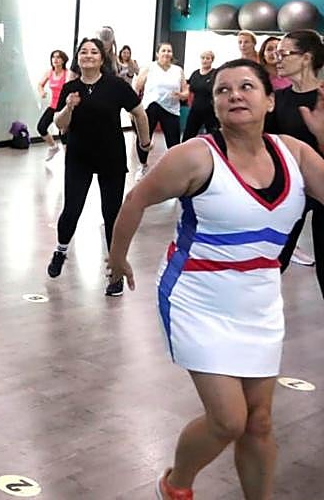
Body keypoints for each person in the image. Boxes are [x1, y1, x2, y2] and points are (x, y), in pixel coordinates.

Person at [107, 59, 324, 500]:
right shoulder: (194, 156)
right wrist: (118, 257)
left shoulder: (295, 154)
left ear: (269, 99)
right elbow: (135, 200)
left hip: (260, 303)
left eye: (247, 87)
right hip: (197, 299)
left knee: (259, 421)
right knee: (229, 420)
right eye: (224, 90)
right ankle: (176, 483)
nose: (235, 96)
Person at [46, 37, 150, 295]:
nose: (88, 55)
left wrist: (144, 142)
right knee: (71, 209)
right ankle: (60, 251)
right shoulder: (71, 87)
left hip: (111, 158)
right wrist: (69, 107)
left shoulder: (115, 85)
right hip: (79, 157)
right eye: (84, 52)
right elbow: (60, 124)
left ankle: (115, 273)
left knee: (111, 214)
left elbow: (139, 112)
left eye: (94, 52)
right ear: (78, 58)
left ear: (102, 59)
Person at [268, 29, 324, 282]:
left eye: (283, 53)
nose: (277, 58)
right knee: (272, 262)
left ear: (306, 58)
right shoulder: (277, 100)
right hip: (288, 189)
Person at [134, 43, 189, 177]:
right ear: (158, 53)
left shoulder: (178, 70)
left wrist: (182, 95)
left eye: (169, 51)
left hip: (170, 108)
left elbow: (185, 90)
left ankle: (174, 168)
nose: (166, 53)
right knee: (144, 139)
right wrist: (134, 108)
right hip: (150, 106)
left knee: (174, 141)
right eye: (163, 50)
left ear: (172, 54)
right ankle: (142, 166)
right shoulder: (149, 67)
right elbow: (137, 86)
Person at [36, 49, 74, 161]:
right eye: (53, 57)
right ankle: (53, 146)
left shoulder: (67, 74)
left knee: (63, 134)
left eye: (58, 57)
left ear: (63, 60)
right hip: (53, 106)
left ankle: (69, 159)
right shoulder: (49, 73)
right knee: (41, 127)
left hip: (63, 108)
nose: (55, 60)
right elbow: (40, 84)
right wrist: (42, 92)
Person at [182, 50, 218, 142]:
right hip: (195, 109)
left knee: (215, 137)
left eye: (207, 58)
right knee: (187, 136)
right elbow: (188, 88)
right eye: (203, 58)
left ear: (212, 60)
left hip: (210, 111)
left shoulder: (215, 73)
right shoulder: (195, 74)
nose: (205, 60)